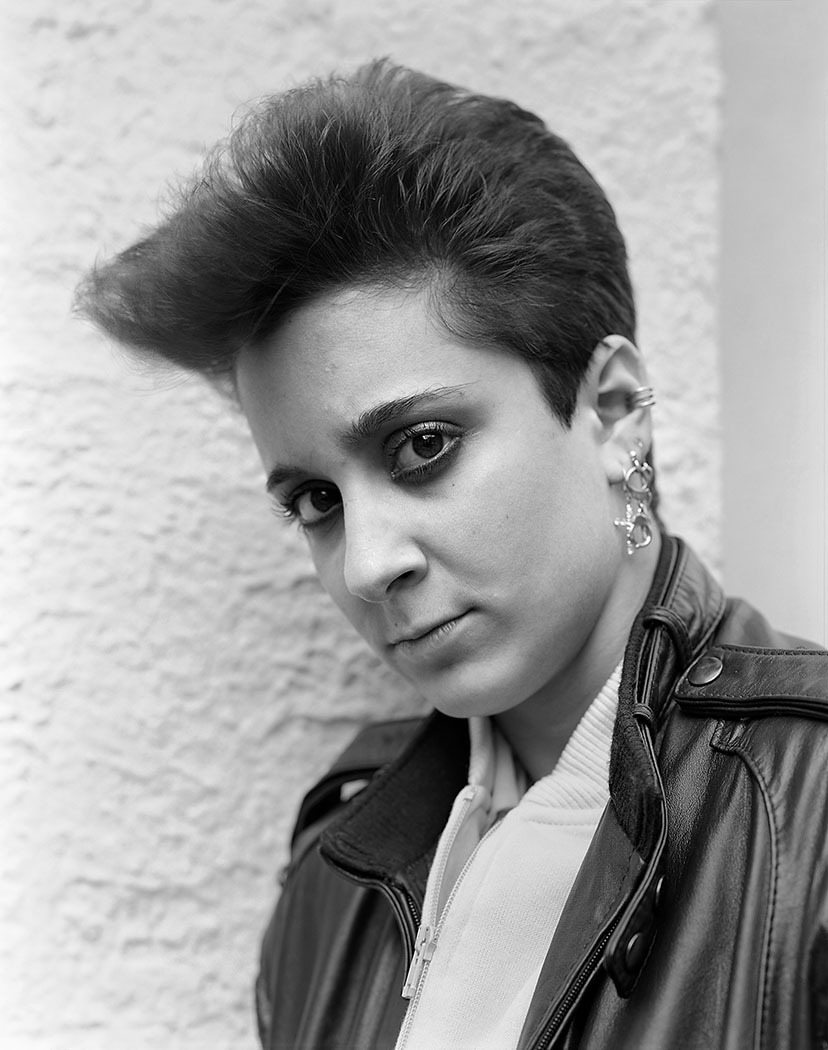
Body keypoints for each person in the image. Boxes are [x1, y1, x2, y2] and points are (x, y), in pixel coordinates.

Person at [76, 60, 828, 1050]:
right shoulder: (337, 875)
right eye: (316, 501)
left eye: (422, 446)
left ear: (615, 414)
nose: (366, 565)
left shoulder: (810, 807)